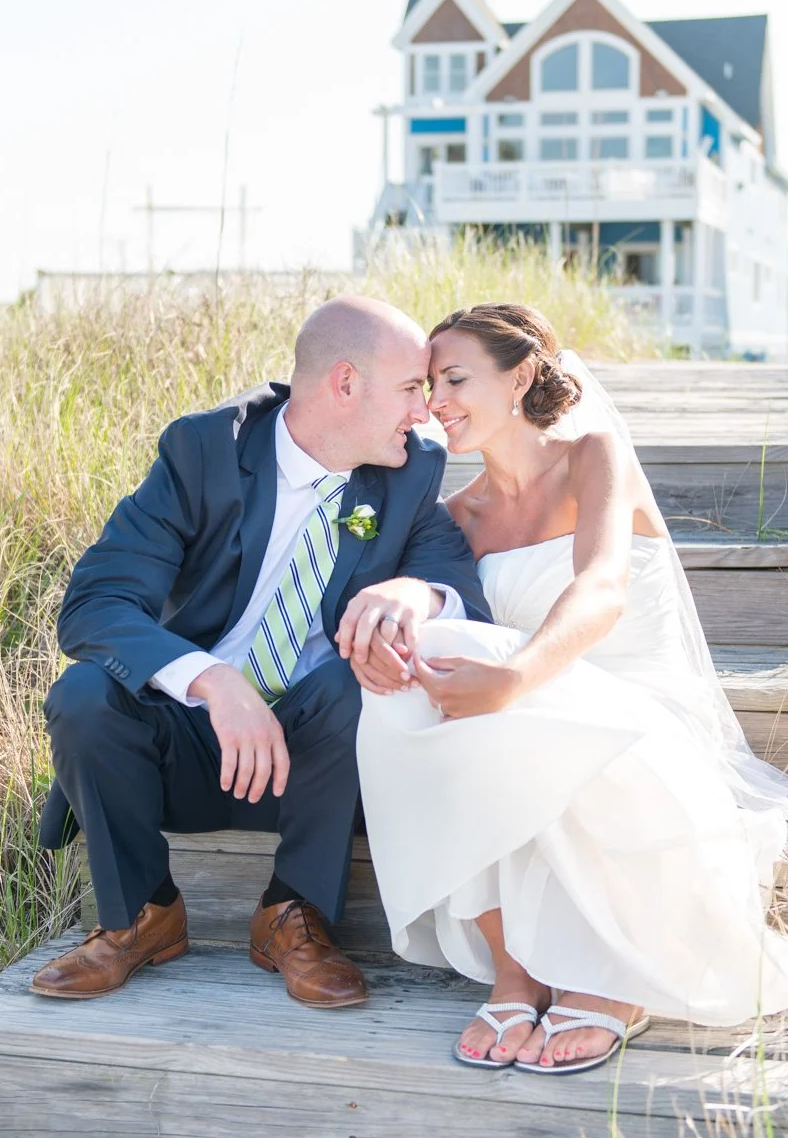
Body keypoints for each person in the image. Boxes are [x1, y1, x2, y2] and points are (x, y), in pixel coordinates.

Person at [357, 303, 788, 1075]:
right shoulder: (456, 516)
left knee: (484, 683)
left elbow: (601, 589)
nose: (436, 400)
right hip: (523, 721)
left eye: (455, 378)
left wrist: (513, 678)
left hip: (637, 718)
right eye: (427, 384)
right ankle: (516, 970)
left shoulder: (593, 457)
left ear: (521, 377)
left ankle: (610, 978)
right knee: (416, 661)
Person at [33, 296, 491, 1007]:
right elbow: (96, 603)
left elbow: (457, 588)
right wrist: (214, 681)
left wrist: (413, 594)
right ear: (345, 383)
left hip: (323, 769)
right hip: (187, 750)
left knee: (357, 679)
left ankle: (292, 914)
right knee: (84, 694)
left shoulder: (408, 468)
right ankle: (141, 915)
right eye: (410, 388)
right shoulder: (204, 452)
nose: (424, 411)